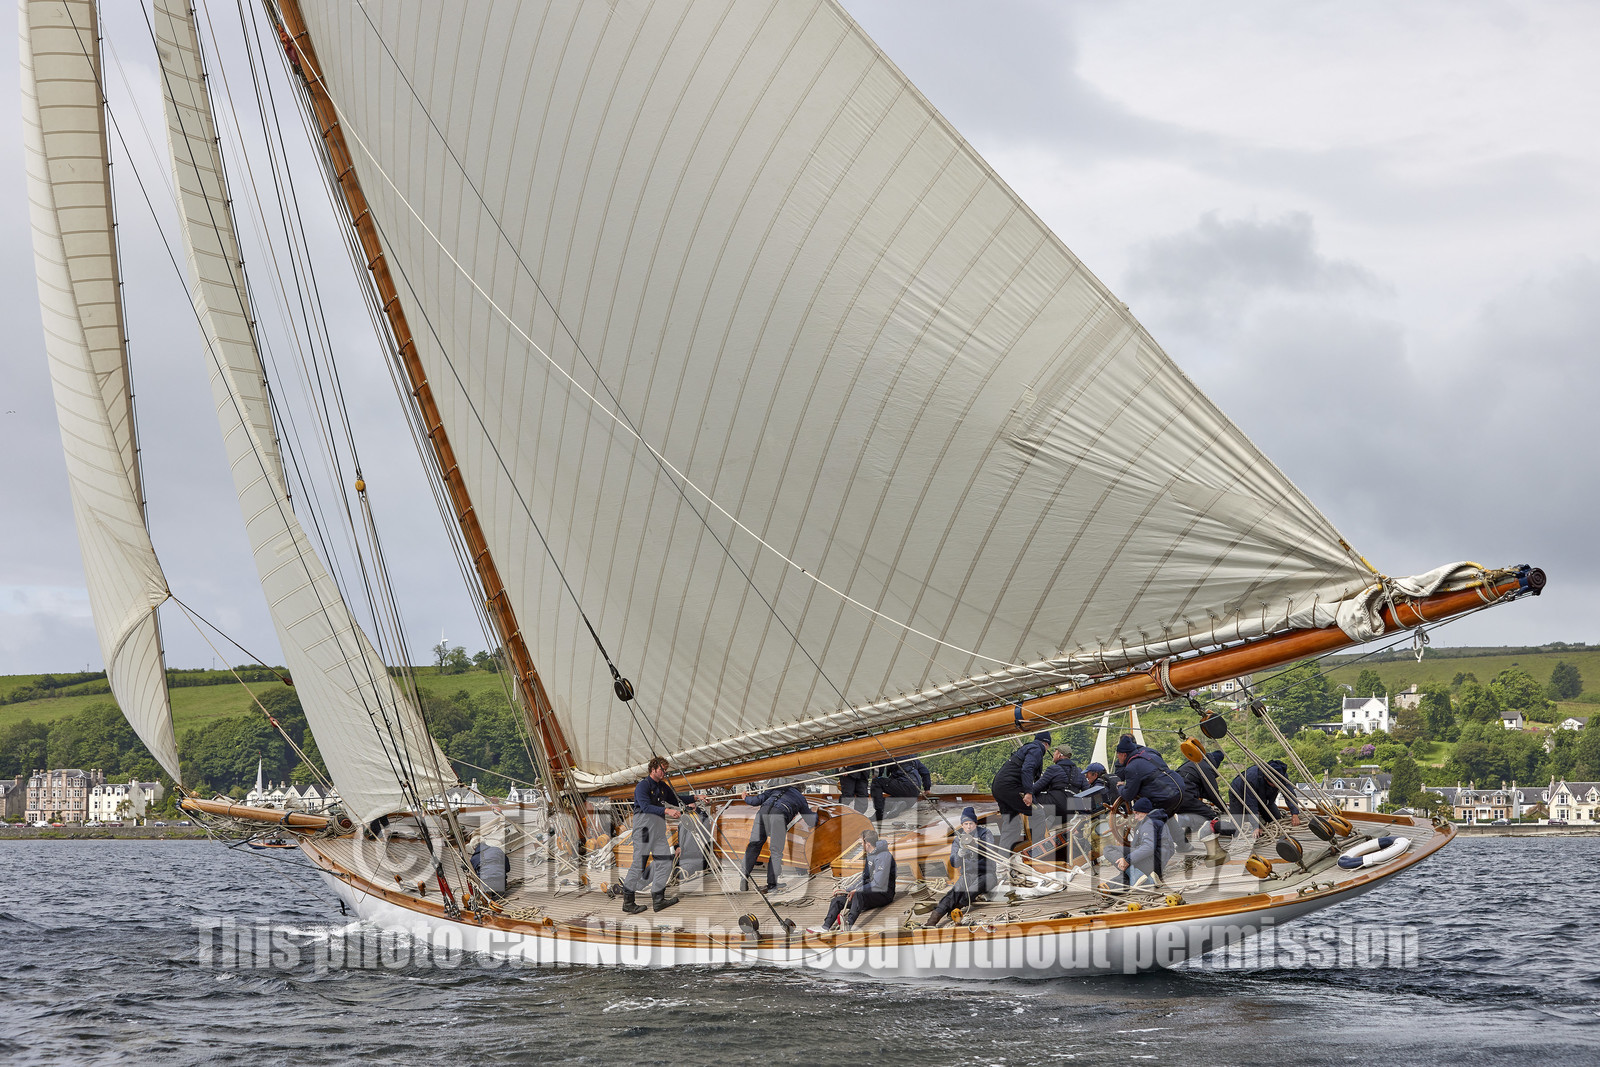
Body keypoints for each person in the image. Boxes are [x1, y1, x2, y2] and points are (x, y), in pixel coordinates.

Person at [621, 756, 697, 914]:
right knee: (638, 865)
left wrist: (696, 798)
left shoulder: (662, 787)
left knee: (664, 862)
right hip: (644, 829)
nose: (664, 773)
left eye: (665, 770)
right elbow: (645, 806)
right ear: (653, 769)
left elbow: (677, 799)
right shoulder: (642, 786)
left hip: (658, 830)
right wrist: (667, 810)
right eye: (662, 769)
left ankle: (658, 899)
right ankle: (628, 901)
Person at [814, 829, 897, 932]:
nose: (861, 844)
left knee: (859, 893)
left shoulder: (884, 857)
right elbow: (865, 878)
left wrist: (857, 890)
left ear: (867, 843)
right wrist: (847, 890)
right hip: (870, 893)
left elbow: (878, 883)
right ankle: (825, 927)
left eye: (861, 842)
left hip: (884, 894)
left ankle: (848, 925)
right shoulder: (870, 854)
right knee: (838, 900)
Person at [927, 808, 998, 927]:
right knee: (953, 893)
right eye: (966, 824)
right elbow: (954, 863)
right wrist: (960, 852)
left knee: (972, 890)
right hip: (968, 874)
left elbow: (989, 849)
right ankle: (931, 921)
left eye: (971, 823)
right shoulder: (958, 840)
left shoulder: (985, 833)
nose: (969, 826)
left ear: (976, 824)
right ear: (962, 825)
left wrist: (973, 845)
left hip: (987, 874)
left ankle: (956, 908)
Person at [739, 779, 813, 891]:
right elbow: (810, 820)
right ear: (801, 790)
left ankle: (743, 877)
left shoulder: (776, 788)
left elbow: (756, 801)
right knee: (775, 851)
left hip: (762, 813)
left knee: (753, 846)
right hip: (779, 816)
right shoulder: (800, 798)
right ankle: (772, 885)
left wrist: (745, 797)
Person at [991, 730, 1052, 851]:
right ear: (1046, 744)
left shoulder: (1027, 748)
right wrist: (1029, 793)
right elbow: (1027, 769)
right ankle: (1037, 853)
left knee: (1012, 824)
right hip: (1011, 787)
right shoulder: (1037, 749)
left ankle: (1002, 861)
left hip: (999, 787)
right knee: (1038, 814)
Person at [1024, 747, 1086, 849]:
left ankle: (1035, 842)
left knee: (1031, 798)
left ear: (1059, 755)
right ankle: (1048, 827)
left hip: (1056, 806)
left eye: (1055, 752)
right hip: (1071, 811)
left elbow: (1036, 788)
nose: (1053, 754)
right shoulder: (1079, 771)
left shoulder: (1053, 769)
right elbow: (1087, 791)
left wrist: (1027, 792)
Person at [1114, 735, 1184, 815]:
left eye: (1118, 753)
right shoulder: (1150, 754)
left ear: (1124, 755)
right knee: (1168, 818)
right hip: (1179, 790)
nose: (1117, 756)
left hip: (1165, 798)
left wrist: (1120, 787)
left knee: (1146, 821)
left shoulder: (1131, 767)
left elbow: (1128, 795)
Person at [1227, 759, 1303, 832]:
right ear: (1265, 778)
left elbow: (1289, 794)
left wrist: (1295, 813)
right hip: (1239, 794)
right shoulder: (1251, 778)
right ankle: (1215, 825)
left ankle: (1254, 817)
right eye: (1273, 784)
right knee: (1235, 828)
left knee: (1276, 819)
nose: (1276, 786)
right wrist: (1256, 826)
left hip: (1263, 797)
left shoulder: (1281, 774)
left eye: (1278, 784)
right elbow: (1251, 804)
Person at [1114, 798, 1173, 886]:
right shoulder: (1151, 821)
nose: (1135, 817)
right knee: (1125, 870)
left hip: (1153, 862)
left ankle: (1143, 879)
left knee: (1110, 850)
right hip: (1157, 861)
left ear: (1144, 812)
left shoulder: (1149, 823)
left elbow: (1148, 847)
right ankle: (1108, 887)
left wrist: (1127, 859)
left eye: (1137, 813)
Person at [870, 756, 931, 823]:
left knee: (876, 782)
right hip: (914, 794)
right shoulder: (913, 758)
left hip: (904, 786)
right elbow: (926, 772)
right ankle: (897, 804)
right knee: (884, 801)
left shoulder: (891, 755)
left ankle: (880, 812)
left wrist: (875, 775)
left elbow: (879, 764)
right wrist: (927, 789)